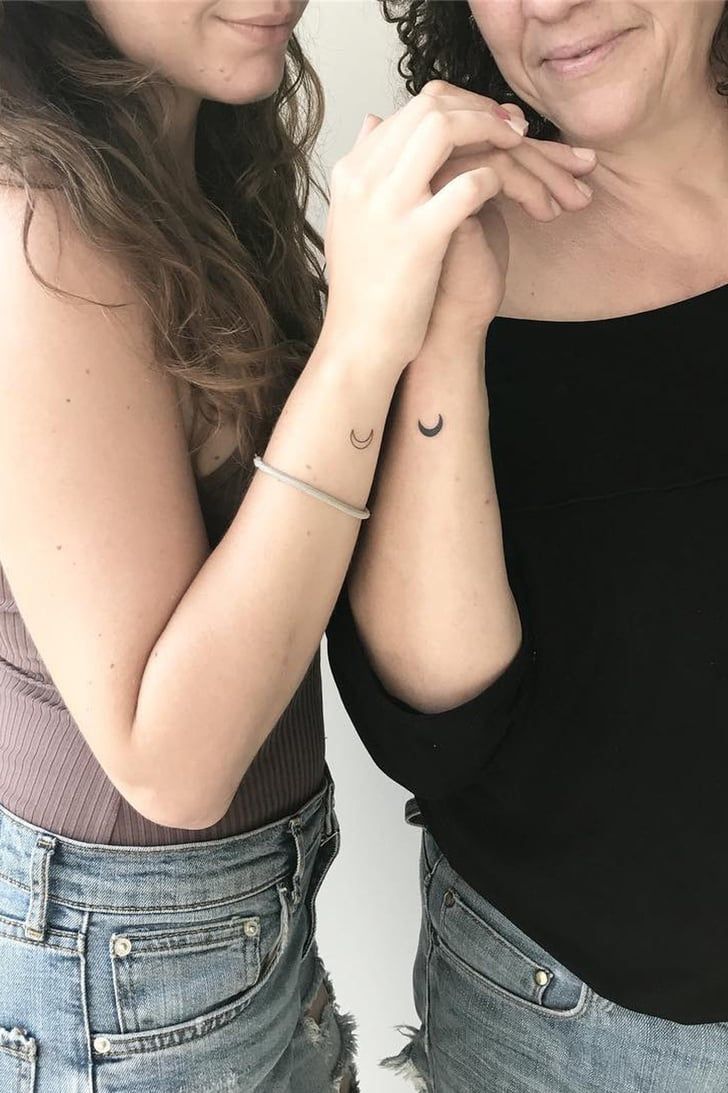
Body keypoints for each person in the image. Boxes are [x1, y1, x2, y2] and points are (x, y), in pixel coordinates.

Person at [0, 1, 592, 1089]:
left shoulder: (185, 166)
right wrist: (363, 337)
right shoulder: (38, 228)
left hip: (228, 933)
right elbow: (171, 762)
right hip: (119, 968)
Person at [326, 1, 728, 1090]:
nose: (547, 4)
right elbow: (434, 728)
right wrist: (445, 334)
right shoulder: (435, 250)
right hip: (571, 1024)